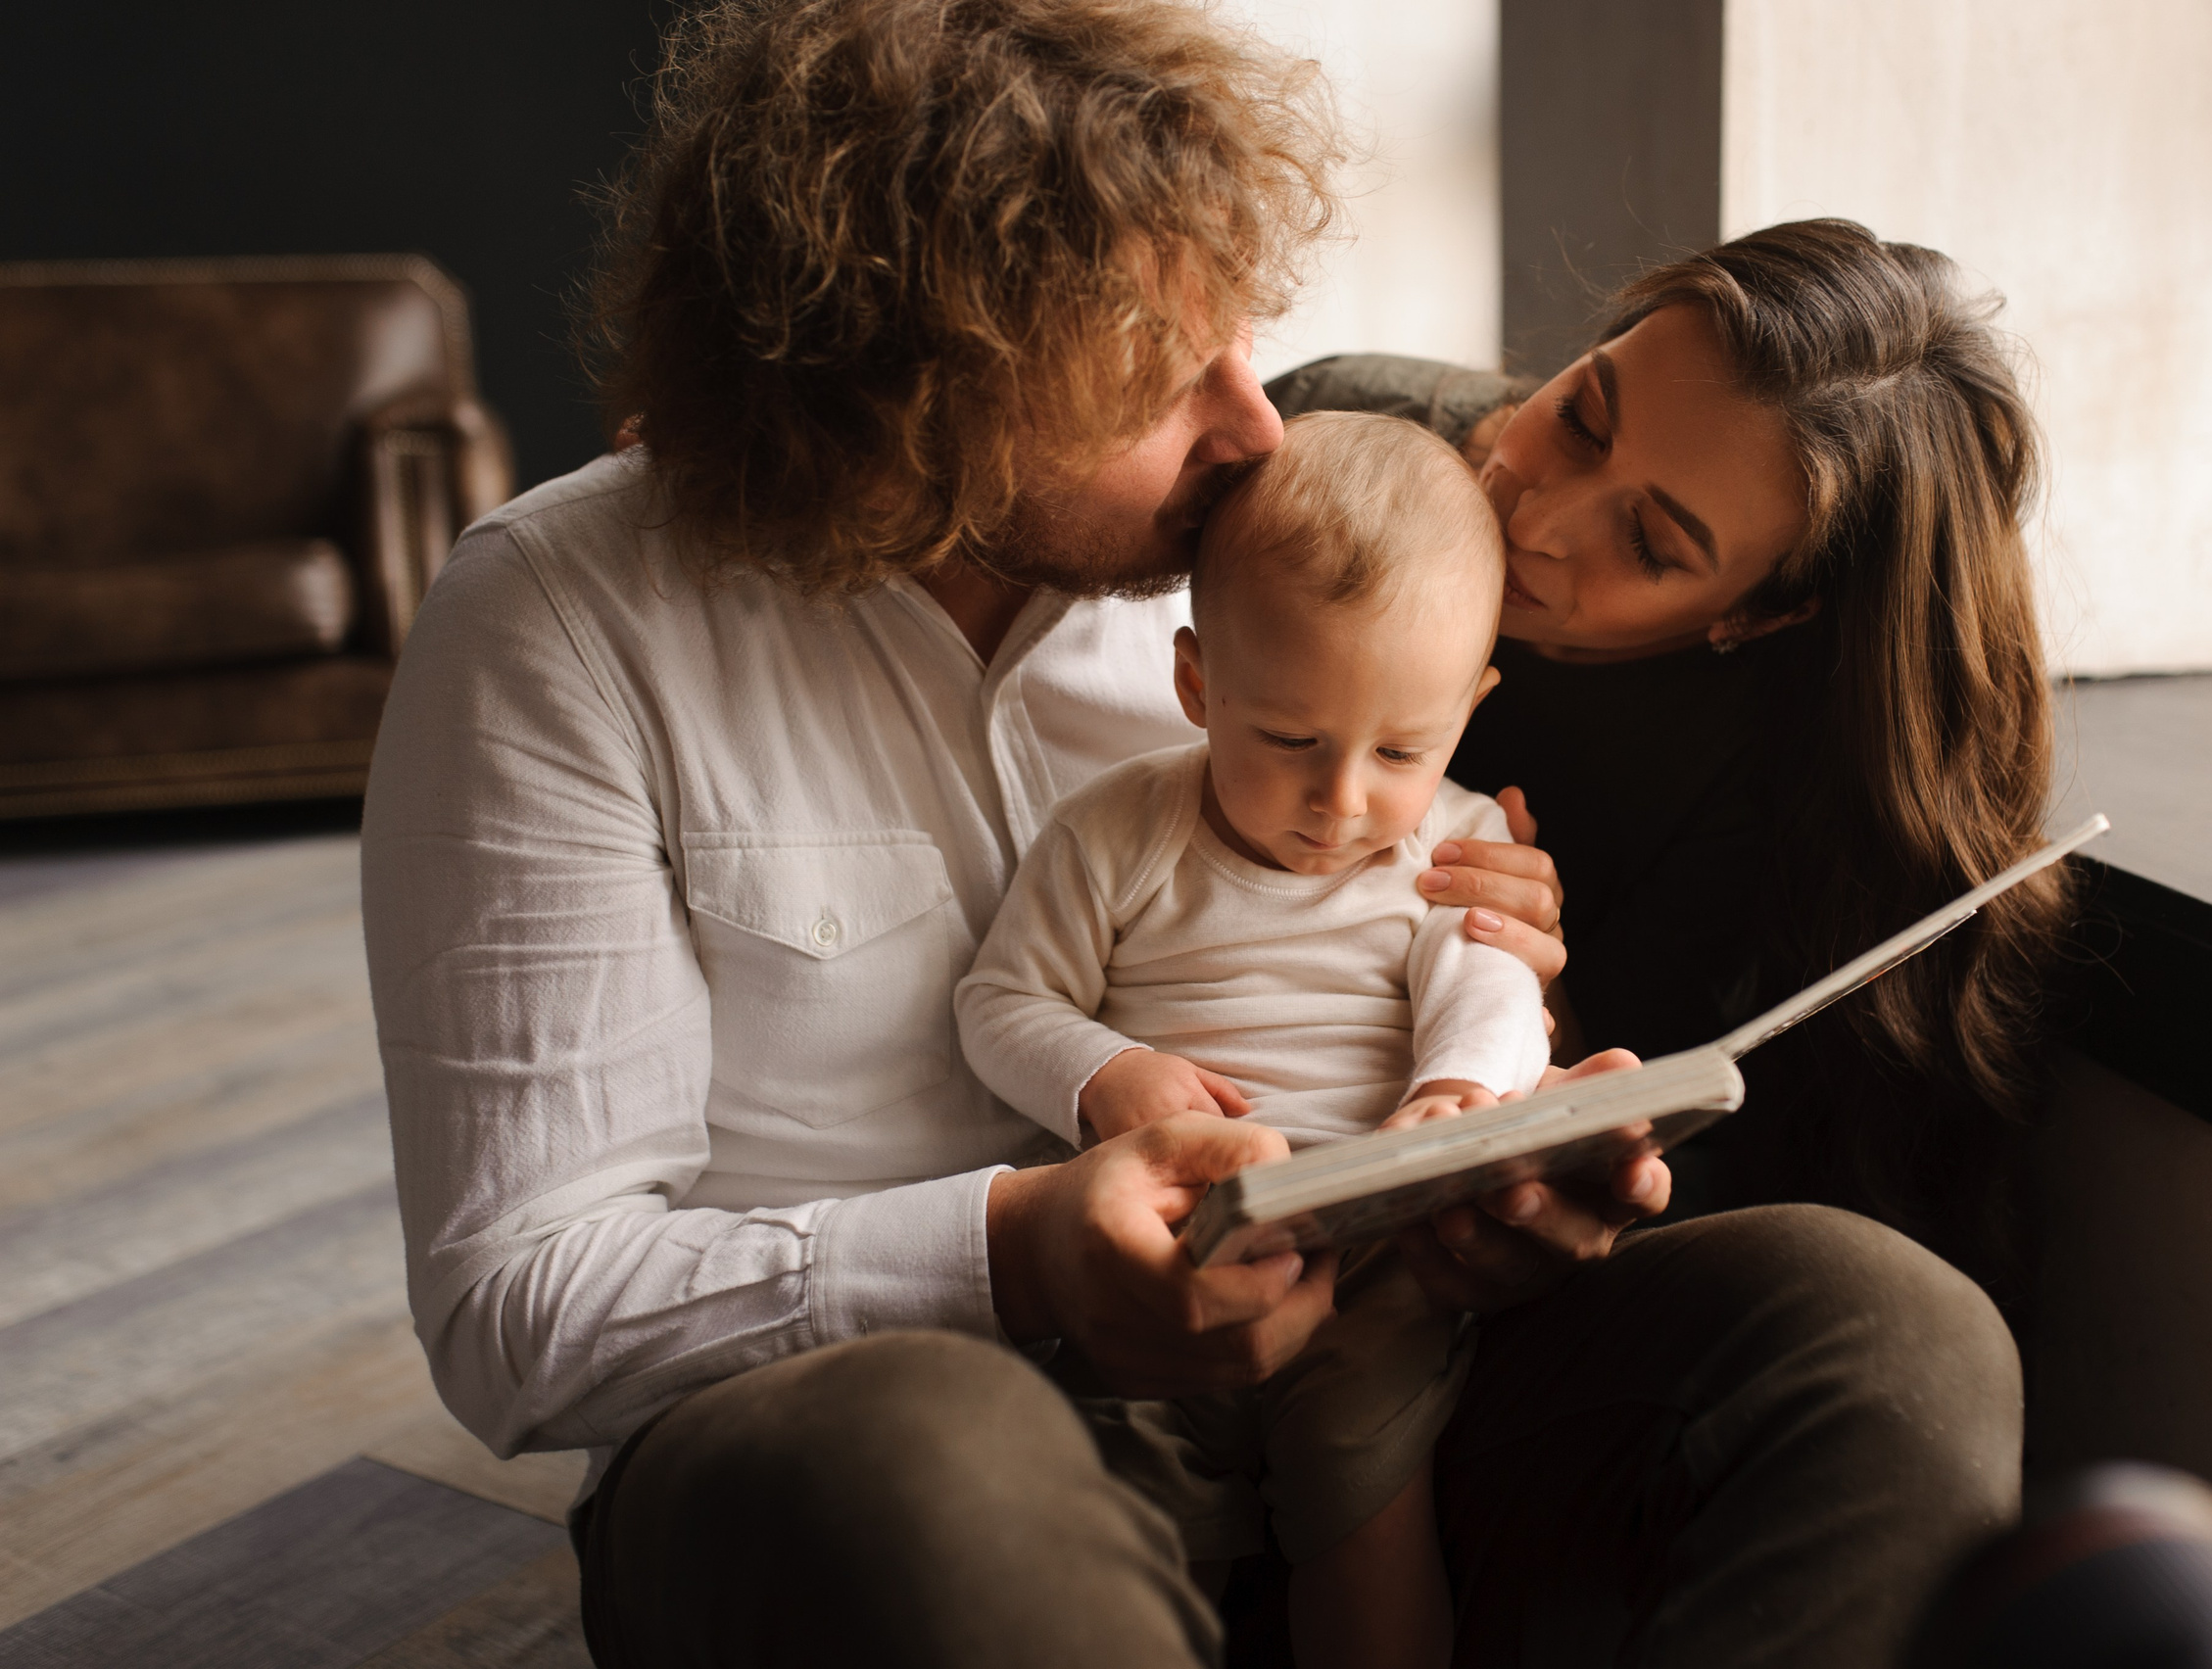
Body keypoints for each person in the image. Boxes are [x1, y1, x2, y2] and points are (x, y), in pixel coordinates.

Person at [359, 3, 2023, 1664]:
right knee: (932, 1467)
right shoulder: (561, 625)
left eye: (1245, 336)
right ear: (916, 388)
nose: (1260, 425)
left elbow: (1402, 936)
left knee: (1887, 1331)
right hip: (853, 1443)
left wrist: (1494, 1137)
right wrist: (1018, 1251)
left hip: (1350, 1365)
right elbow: (521, 1318)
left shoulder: (1266, 560)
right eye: (1164, 379)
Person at [1268, 219, 2075, 1308]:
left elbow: (1675, 1132)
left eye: (1649, 545)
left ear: (1762, 612)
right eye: (1579, 415)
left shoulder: (1770, 778)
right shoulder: (1329, 435)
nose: (1535, 517)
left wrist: (1543, 1036)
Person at [957, 409, 1549, 1669]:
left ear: (1471, 704)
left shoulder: (1449, 851)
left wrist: (1456, 1089)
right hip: (1168, 1242)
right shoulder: (1117, 834)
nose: (1342, 803)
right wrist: (1105, 1072)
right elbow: (1000, 1005)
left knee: (1366, 1489)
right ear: (1195, 684)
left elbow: (1490, 994)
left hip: (1376, 1252)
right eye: (1287, 740)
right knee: (1128, 1498)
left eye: (1400, 747)